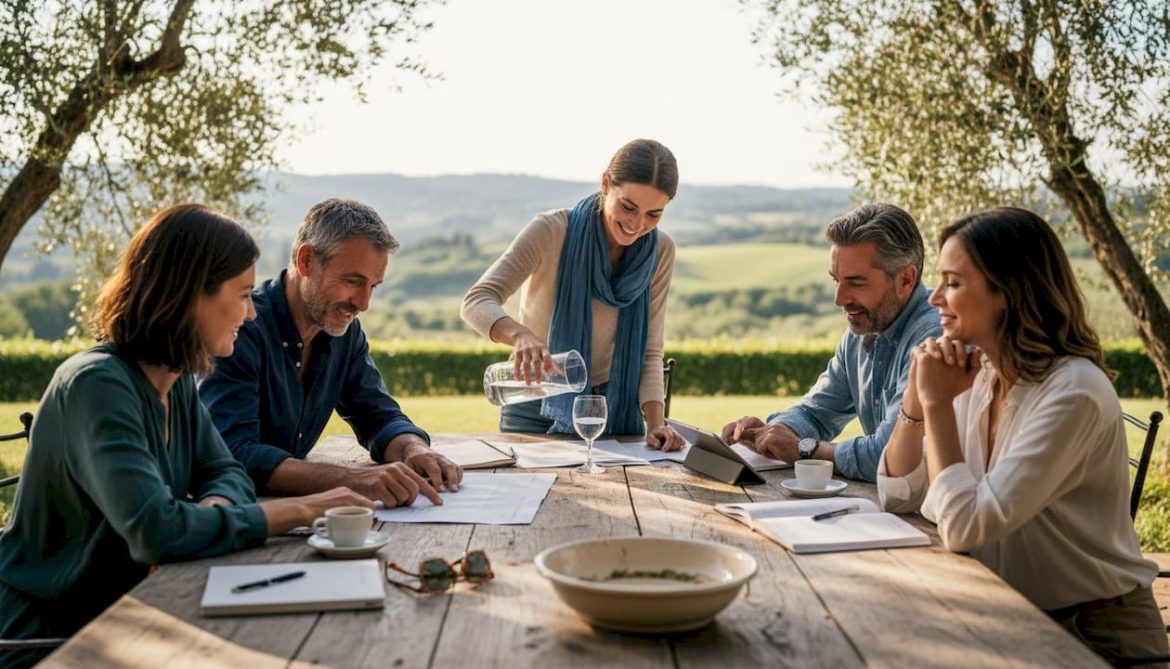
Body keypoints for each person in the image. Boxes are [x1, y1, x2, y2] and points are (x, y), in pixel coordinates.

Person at [0, 204, 372, 669]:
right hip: (54, 638)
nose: (252, 313)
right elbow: (157, 530)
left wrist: (214, 508)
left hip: (135, 611)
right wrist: (300, 510)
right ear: (191, 295)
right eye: (241, 295)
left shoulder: (172, 382)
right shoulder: (98, 384)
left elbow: (227, 471)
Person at [878, 208, 1167, 664]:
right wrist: (916, 396)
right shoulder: (981, 374)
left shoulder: (1074, 392)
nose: (934, 299)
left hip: (1095, 634)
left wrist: (936, 405)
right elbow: (898, 494)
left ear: (1008, 292)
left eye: (953, 282)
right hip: (1009, 611)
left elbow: (965, 526)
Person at [199, 199, 462, 507]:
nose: (363, 304)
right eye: (353, 281)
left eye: (373, 287)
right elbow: (235, 451)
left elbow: (378, 416)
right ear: (306, 260)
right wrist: (352, 480)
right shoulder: (240, 329)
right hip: (233, 517)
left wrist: (414, 450)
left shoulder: (344, 333)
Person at [460, 139, 684, 448]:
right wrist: (519, 335)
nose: (636, 224)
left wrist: (657, 424)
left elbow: (650, 351)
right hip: (535, 401)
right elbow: (477, 300)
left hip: (611, 410)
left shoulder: (660, 251)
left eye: (654, 215)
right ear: (606, 184)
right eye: (628, 207)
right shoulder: (551, 231)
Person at [721, 203, 940, 481]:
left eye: (856, 283)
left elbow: (888, 454)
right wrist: (772, 432)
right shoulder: (862, 332)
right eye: (835, 280)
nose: (839, 299)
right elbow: (816, 412)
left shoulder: (933, 339)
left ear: (906, 279)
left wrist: (804, 450)